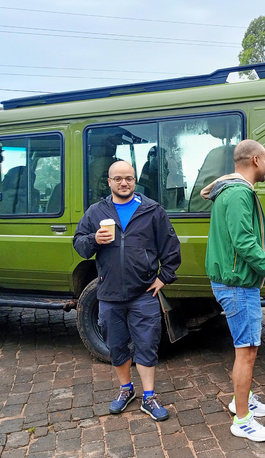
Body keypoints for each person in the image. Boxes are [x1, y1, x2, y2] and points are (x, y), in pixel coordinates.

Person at [73, 161, 181, 422]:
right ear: (109, 182)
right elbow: (78, 243)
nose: (124, 183)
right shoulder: (96, 212)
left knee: (147, 344)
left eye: (129, 178)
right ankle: (125, 390)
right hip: (108, 294)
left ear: (135, 181)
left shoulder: (152, 211)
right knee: (117, 345)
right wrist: (93, 240)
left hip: (144, 293)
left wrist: (163, 278)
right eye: (118, 178)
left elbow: (171, 248)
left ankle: (149, 396)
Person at [202, 139, 265, 442]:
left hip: (233, 280)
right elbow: (242, 244)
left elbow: (239, 237)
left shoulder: (230, 191)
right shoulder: (240, 193)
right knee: (247, 351)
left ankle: (242, 399)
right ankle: (242, 420)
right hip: (238, 283)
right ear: (255, 160)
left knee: (246, 348)